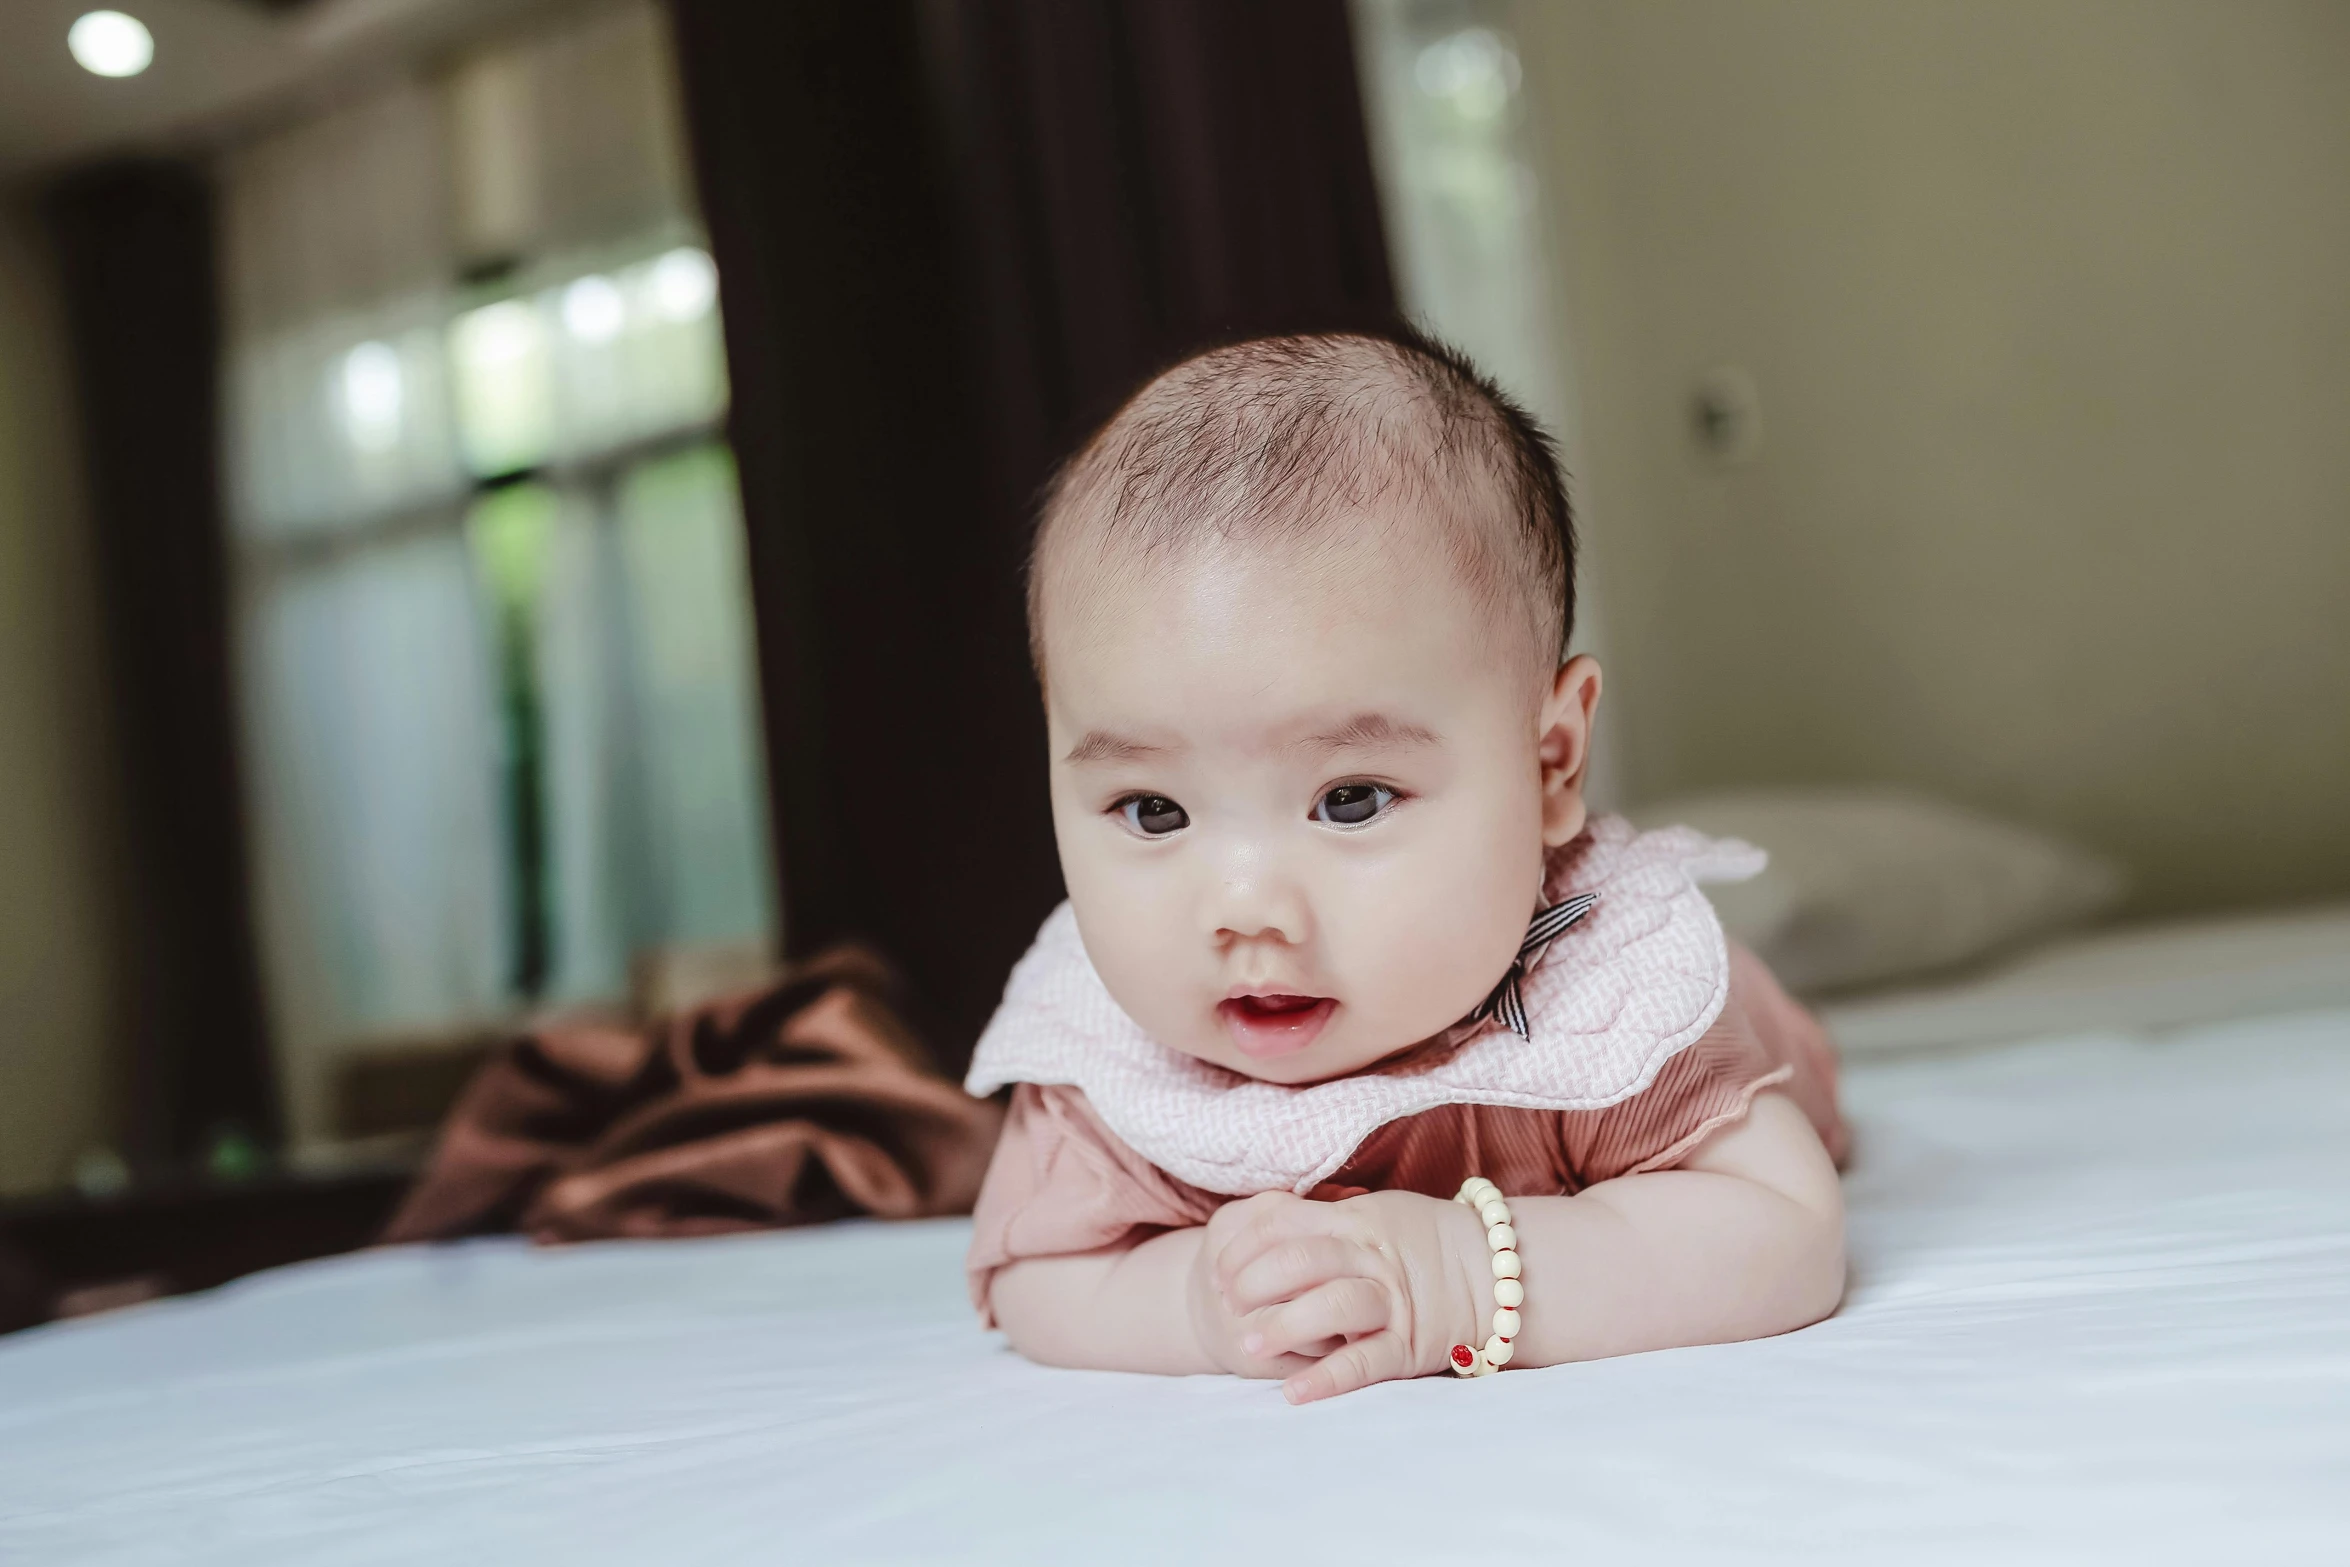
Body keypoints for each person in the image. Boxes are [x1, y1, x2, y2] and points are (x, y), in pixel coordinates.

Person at [965, 329, 1848, 1404]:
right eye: (1152, 810)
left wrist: (1462, 1274)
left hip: (1738, 1037)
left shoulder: (1606, 995)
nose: (1245, 910)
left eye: (1349, 799)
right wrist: (1193, 1301)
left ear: (1549, 760)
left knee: (1770, 1040)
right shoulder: (1111, 1053)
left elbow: (1781, 1229)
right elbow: (1034, 1271)